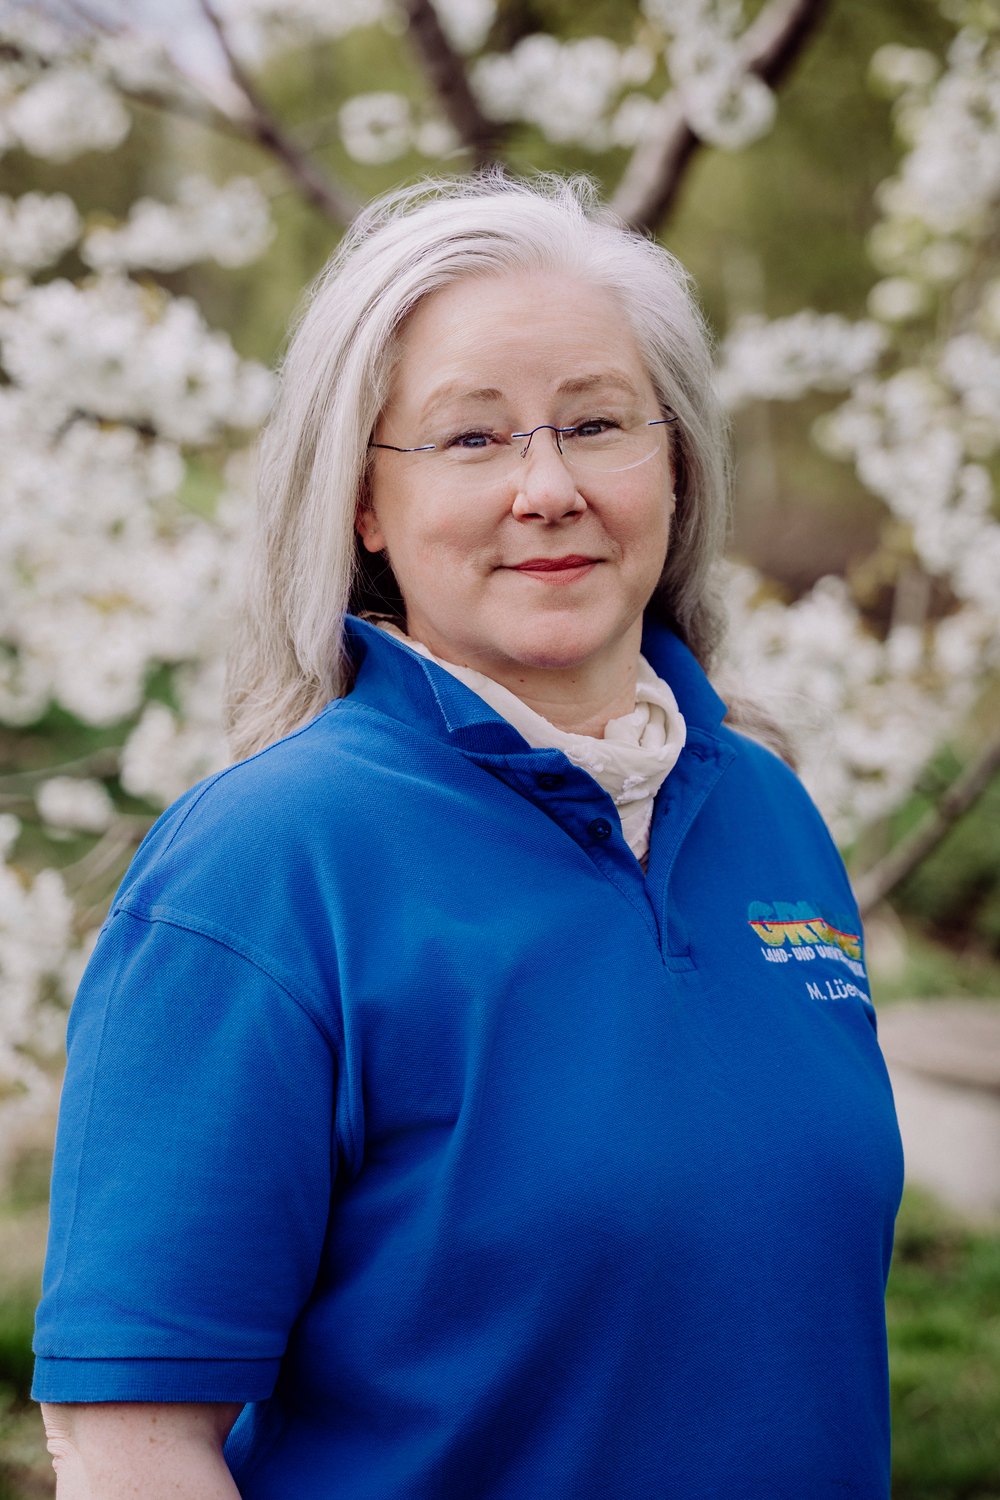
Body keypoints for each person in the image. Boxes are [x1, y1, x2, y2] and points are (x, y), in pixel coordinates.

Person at [33, 173, 904, 1500]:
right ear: (362, 505)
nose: (547, 489)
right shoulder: (264, 869)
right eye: (472, 438)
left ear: (675, 462)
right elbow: (131, 1444)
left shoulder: (770, 816)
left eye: (598, 423)